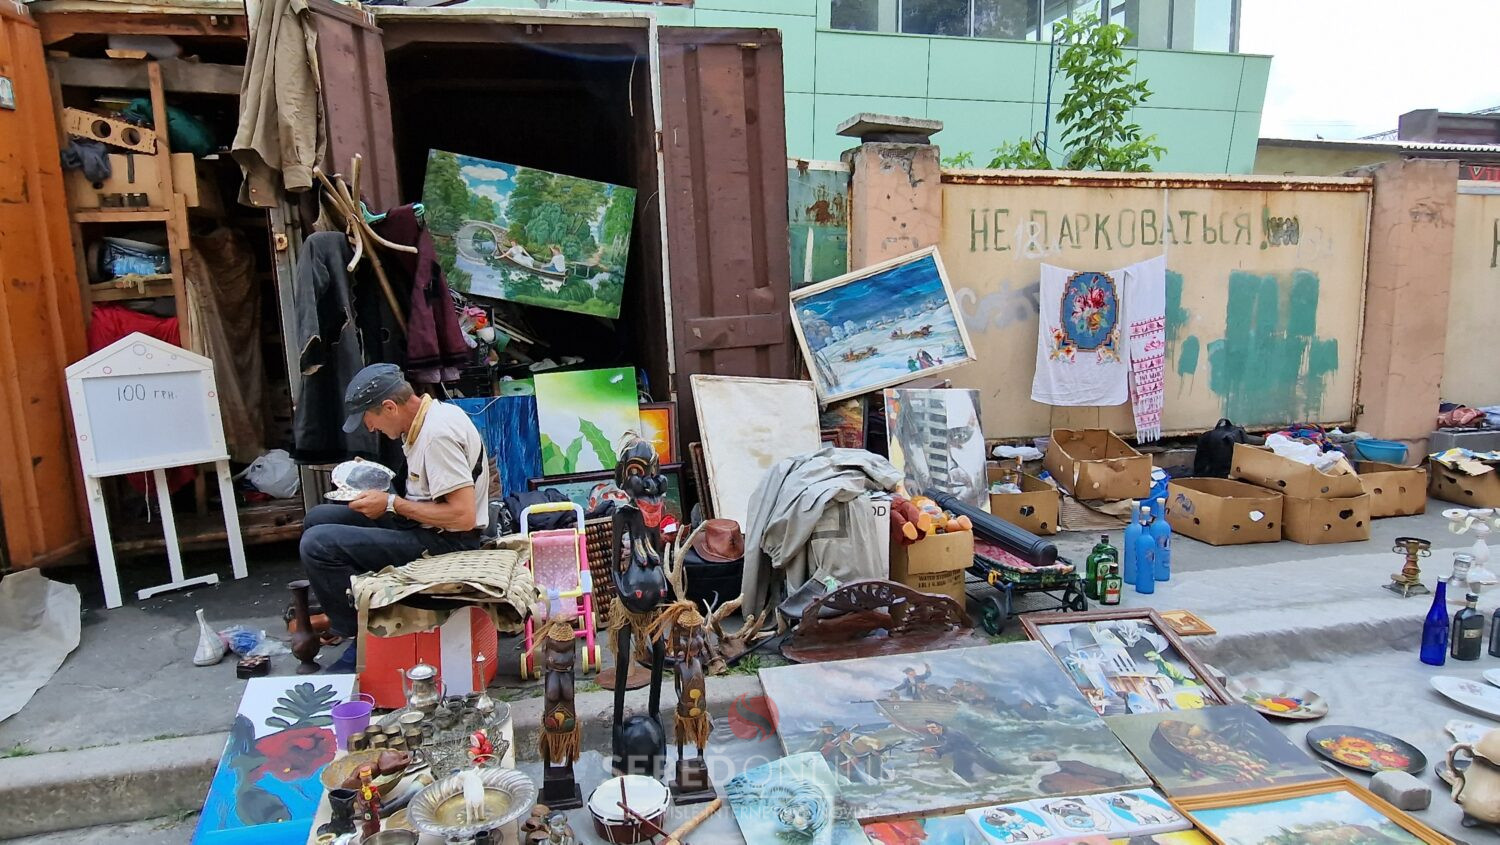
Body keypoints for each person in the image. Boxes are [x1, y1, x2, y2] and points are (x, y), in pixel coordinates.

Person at [299, 363, 490, 673]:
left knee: (317, 544)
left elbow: (463, 516)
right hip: (425, 526)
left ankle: (358, 640)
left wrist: (391, 503)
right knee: (317, 518)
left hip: (448, 542)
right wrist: (374, 482)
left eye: (368, 418)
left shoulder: (437, 435)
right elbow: (422, 490)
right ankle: (352, 616)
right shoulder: (426, 419)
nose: (370, 428)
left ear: (389, 407)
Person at [920, 720, 1006, 782]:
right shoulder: (943, 734)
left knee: (998, 769)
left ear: (940, 727)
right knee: (962, 772)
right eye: (929, 728)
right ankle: (971, 782)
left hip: (972, 753)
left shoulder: (951, 733)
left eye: (933, 727)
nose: (931, 730)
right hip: (966, 754)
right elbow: (949, 746)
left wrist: (935, 750)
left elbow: (950, 746)